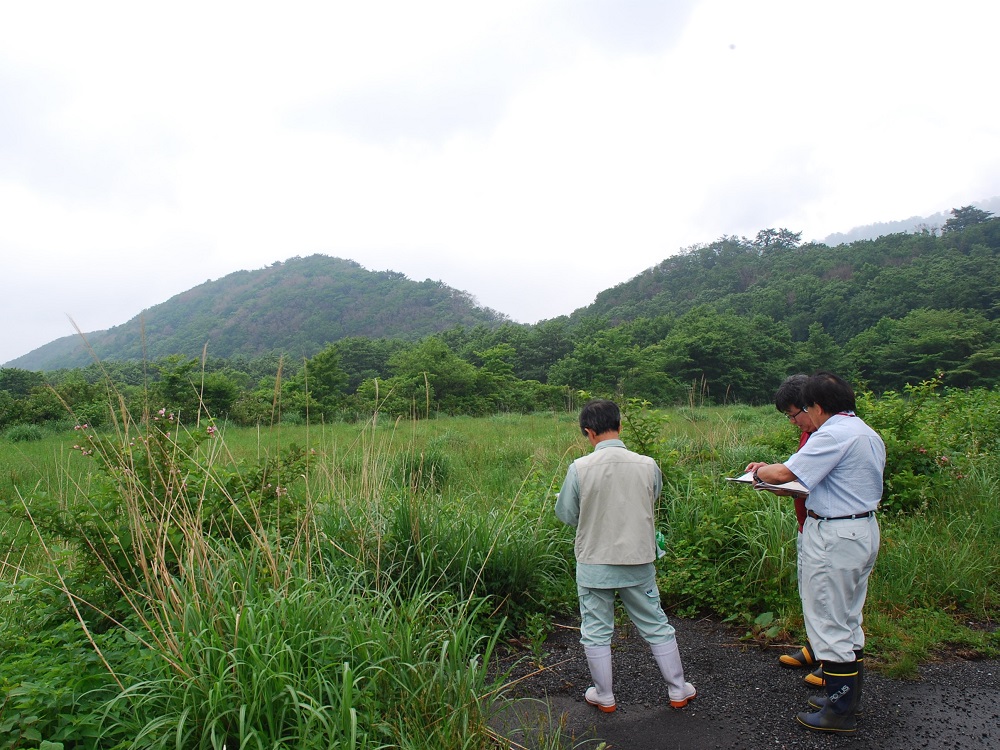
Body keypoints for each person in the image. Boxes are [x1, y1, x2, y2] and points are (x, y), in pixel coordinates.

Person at [746, 372, 884, 733]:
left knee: (828, 619)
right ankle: (844, 699)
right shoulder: (865, 433)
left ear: (818, 407)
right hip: (860, 529)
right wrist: (770, 480)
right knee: (848, 617)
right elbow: (807, 484)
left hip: (835, 536)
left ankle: (838, 714)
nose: (803, 416)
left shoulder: (832, 434)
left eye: (804, 409)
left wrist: (760, 471)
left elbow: (787, 472)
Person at [555, 399, 696, 713]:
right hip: (638, 560)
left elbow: (567, 514)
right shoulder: (647, 464)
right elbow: (652, 497)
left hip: (594, 562)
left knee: (595, 628)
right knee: (656, 623)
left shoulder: (579, 468)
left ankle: (604, 695)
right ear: (619, 426)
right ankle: (677, 689)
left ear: (589, 433)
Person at [772, 375, 825, 689]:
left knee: (825, 597)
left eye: (794, 414)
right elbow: (797, 471)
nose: (793, 422)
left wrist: (775, 478)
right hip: (808, 524)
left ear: (812, 406)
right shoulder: (809, 433)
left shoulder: (828, 436)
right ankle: (816, 648)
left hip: (827, 527)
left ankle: (834, 664)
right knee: (809, 592)